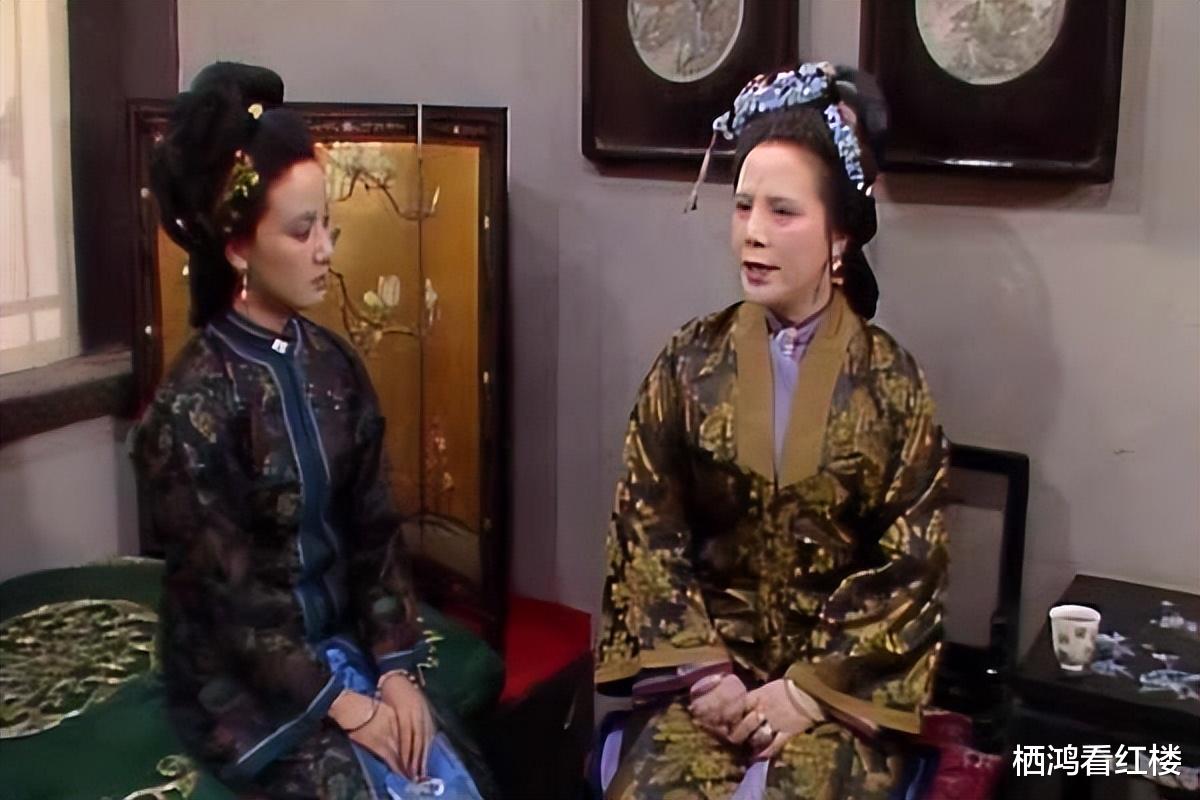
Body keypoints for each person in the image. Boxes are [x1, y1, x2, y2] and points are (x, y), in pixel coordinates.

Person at [131, 61, 491, 799]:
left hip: (344, 639)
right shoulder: (193, 407)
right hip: (241, 677)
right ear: (238, 248)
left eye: (327, 224)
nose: (326, 248)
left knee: (455, 776)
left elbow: (375, 534)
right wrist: (347, 706)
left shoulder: (333, 366)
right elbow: (231, 608)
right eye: (302, 231)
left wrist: (395, 671)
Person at [594, 62, 950, 799]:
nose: (753, 233)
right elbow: (646, 528)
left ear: (840, 235)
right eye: (743, 206)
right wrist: (705, 672)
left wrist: (806, 692)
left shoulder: (891, 385)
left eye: (783, 212)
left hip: (831, 699)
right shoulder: (689, 363)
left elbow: (911, 562)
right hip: (705, 680)